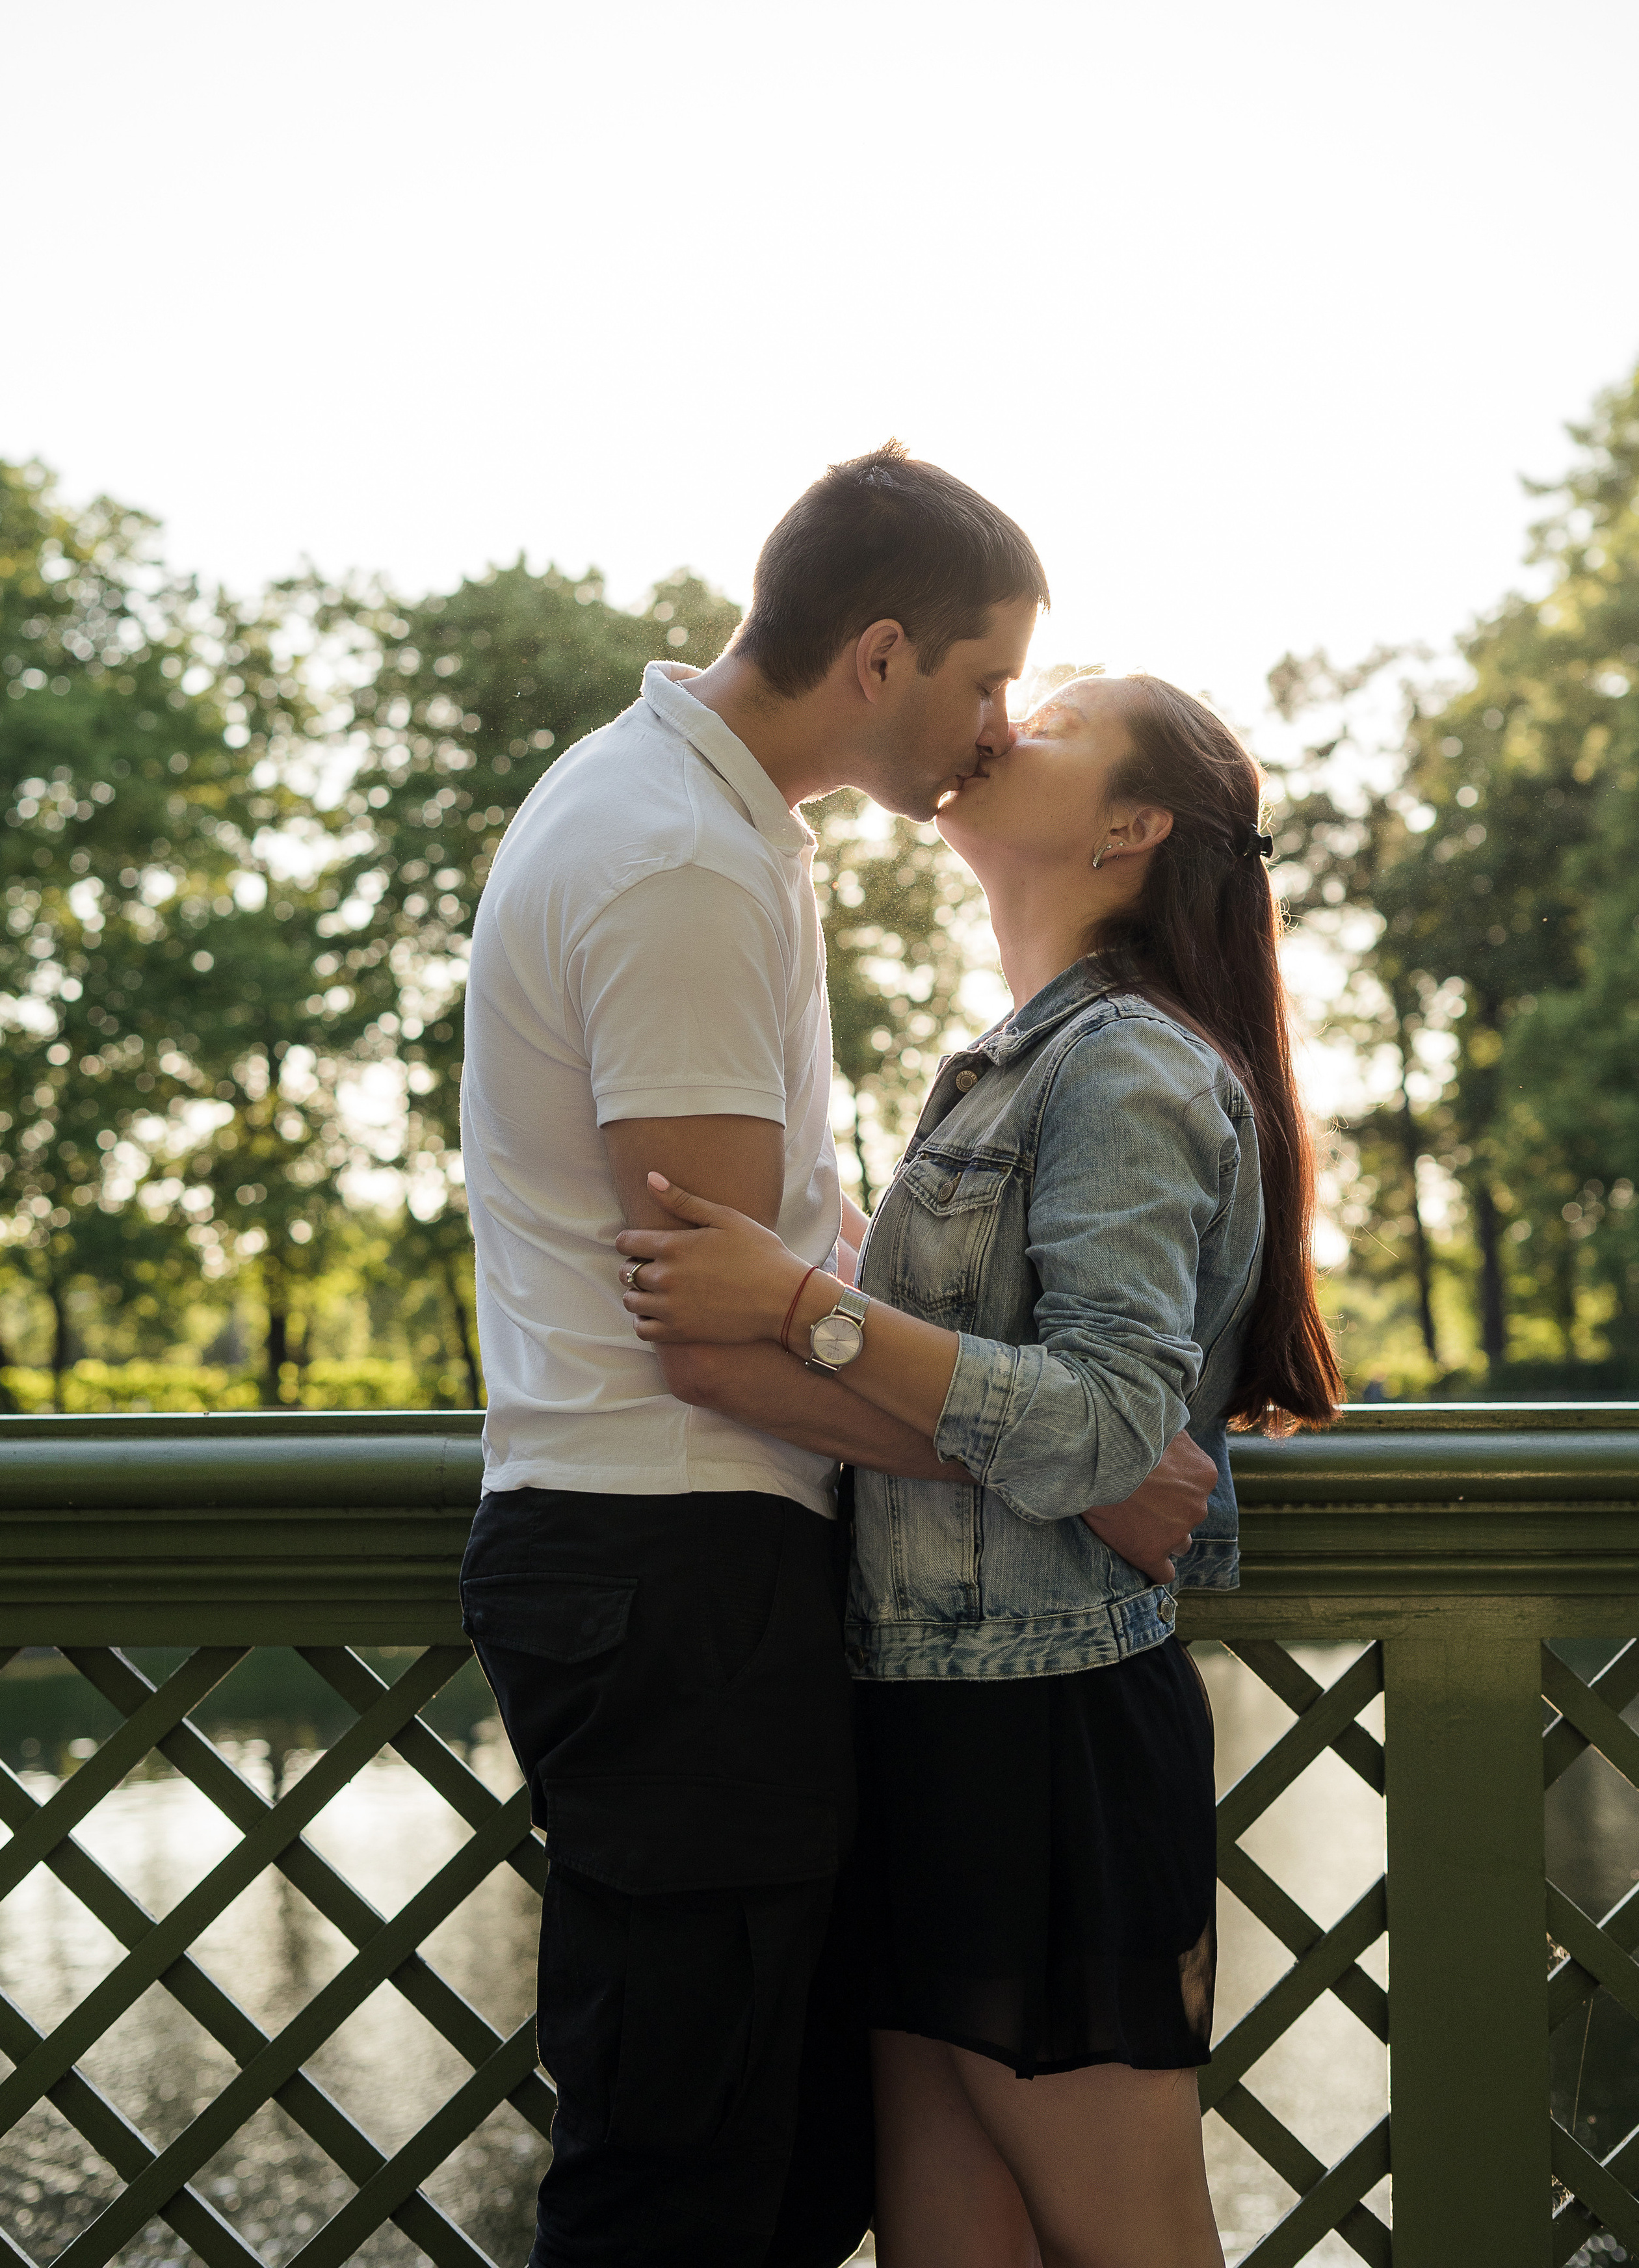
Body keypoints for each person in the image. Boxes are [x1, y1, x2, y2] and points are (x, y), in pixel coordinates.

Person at [457, 449, 1216, 2268]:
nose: (990, 727)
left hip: (701, 1578)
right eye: (981, 681)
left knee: (773, 2174)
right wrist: (1072, 1459)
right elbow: (710, 1329)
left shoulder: (706, 827)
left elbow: (768, 1280)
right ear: (880, 654)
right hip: (676, 1564)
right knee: (685, 2184)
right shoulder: (677, 859)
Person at [616, 670, 1348, 2268]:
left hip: (1045, 1727)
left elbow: (1099, 1422)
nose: (1007, 724)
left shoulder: (1127, 1071)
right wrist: (851, 1288)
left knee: (1132, 2245)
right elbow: (1020, 1390)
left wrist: (805, 1310)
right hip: (922, 1715)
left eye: (1059, 718)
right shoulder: (1019, 1060)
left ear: (1131, 827)